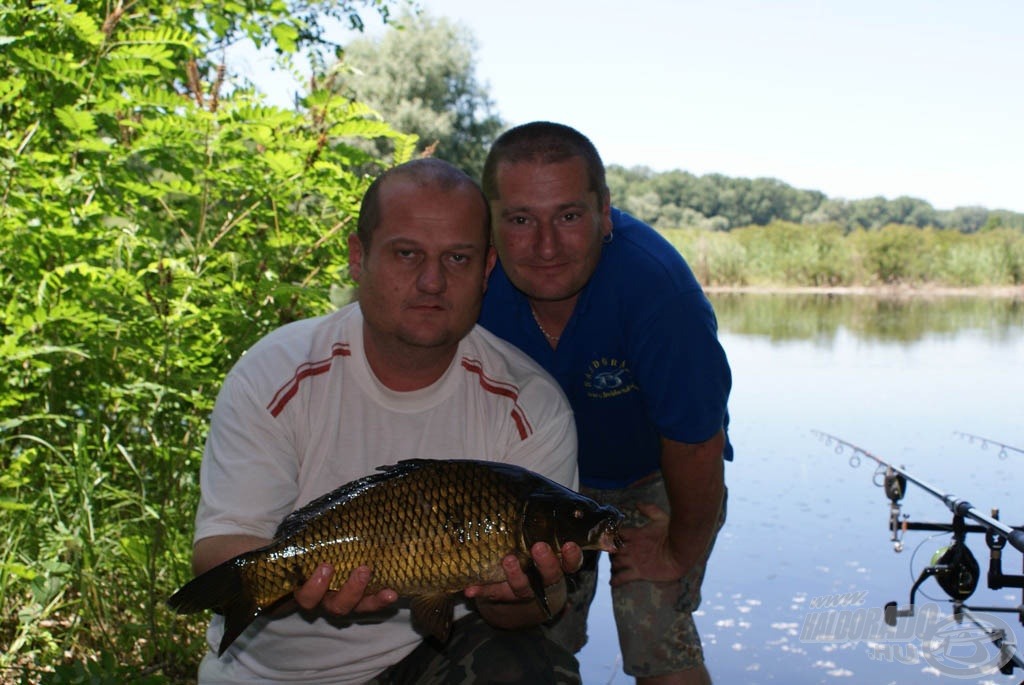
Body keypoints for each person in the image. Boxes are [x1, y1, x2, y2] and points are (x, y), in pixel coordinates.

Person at [189, 158, 585, 684]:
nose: (431, 281)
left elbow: (535, 610)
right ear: (359, 258)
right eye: (407, 254)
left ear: (486, 269)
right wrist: (296, 577)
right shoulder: (275, 373)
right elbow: (218, 552)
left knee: (525, 666)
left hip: (421, 662)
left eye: (458, 258)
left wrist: (519, 592)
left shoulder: (530, 405)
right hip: (267, 674)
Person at [478, 122, 733, 685]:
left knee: (656, 633)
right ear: (490, 224)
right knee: (529, 642)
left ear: (605, 212)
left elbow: (696, 447)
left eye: (568, 216)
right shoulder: (470, 278)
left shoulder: (660, 294)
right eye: (521, 220)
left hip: (655, 475)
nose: (546, 246)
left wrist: (676, 553)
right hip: (536, 477)